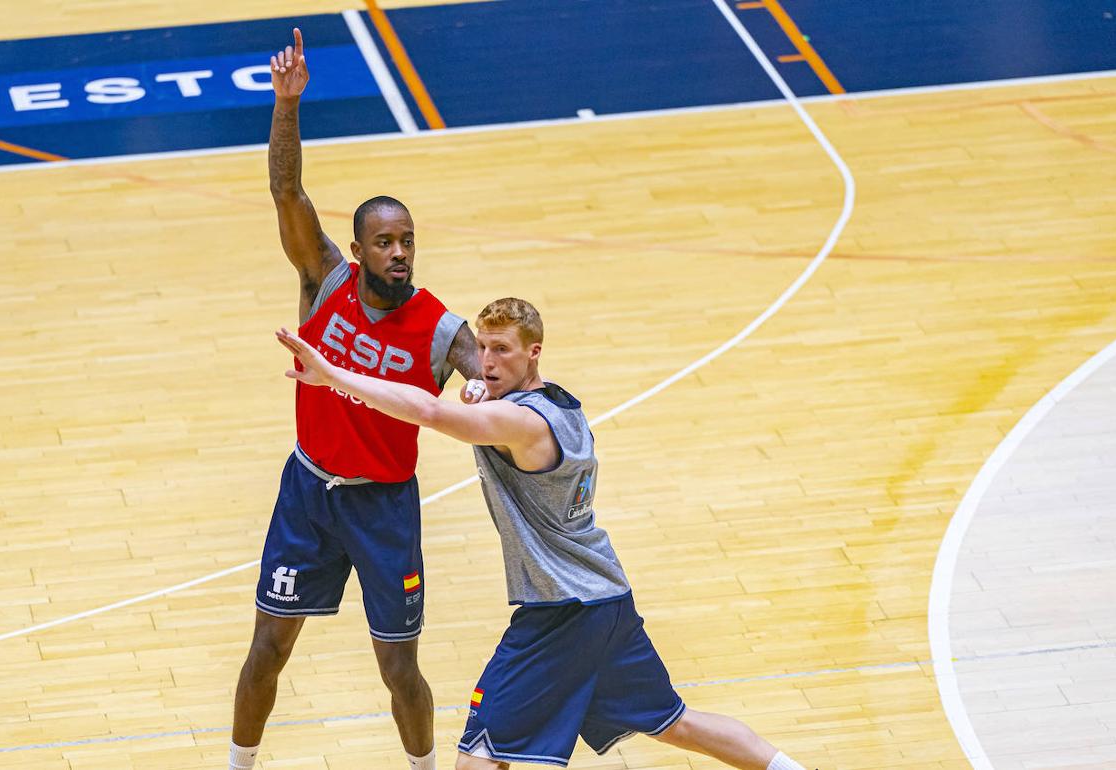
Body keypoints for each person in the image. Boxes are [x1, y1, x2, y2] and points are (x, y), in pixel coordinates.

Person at [274, 298, 814, 770]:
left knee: (479, 754)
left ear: (534, 352)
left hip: (561, 609)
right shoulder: (560, 403)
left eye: (503, 350)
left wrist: (335, 376)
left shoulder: (523, 423)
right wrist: (485, 397)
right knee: (674, 723)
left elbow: (428, 411)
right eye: (483, 348)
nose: (487, 361)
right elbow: (478, 405)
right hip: (606, 600)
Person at [228, 28, 483, 770]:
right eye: (386, 241)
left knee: (399, 668)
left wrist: (486, 380)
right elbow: (286, 190)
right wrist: (287, 105)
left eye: (408, 240)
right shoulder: (324, 281)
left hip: (383, 508)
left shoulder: (439, 326)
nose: (400, 252)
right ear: (359, 248)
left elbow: (484, 369)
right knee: (266, 649)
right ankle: (239, 765)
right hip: (307, 491)